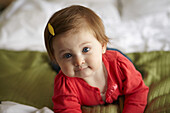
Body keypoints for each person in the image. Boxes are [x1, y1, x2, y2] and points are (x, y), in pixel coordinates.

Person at [44, 5, 149, 113]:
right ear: (56, 58)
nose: (79, 62)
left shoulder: (119, 66)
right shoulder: (65, 84)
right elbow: (67, 109)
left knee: (129, 64)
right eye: (68, 55)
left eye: (85, 49)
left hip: (110, 57)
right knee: (58, 68)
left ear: (103, 46)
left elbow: (137, 92)